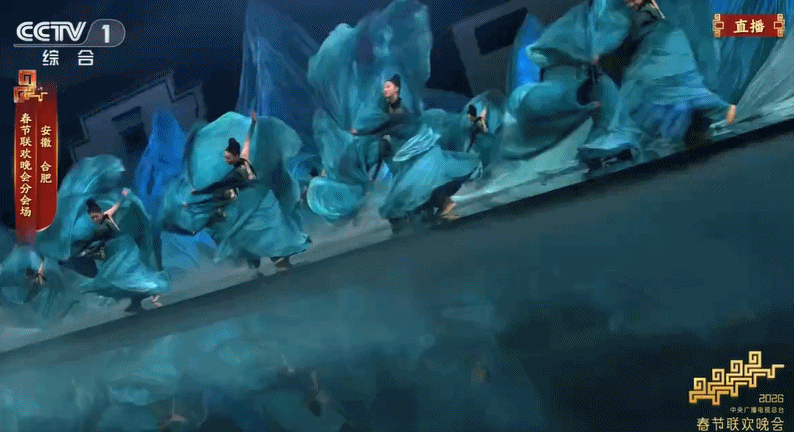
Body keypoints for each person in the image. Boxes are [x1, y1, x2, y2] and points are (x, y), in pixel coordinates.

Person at [351, 74, 480, 232]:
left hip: (419, 150)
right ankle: (441, 207)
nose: (385, 89)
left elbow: (387, 124)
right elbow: (383, 130)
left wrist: (362, 131)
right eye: (384, 87)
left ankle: (444, 205)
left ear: (396, 88)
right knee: (418, 184)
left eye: (388, 86)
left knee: (416, 183)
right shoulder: (388, 109)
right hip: (407, 154)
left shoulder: (400, 110)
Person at [82, 189, 166, 313]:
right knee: (121, 277)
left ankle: (153, 292)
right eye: (92, 218)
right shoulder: (97, 226)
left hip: (125, 248)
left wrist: (123, 195)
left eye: (96, 216)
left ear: (101, 212)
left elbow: (116, 205)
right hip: (116, 251)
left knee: (127, 274)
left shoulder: (107, 215)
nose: (95, 219)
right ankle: (137, 302)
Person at [188, 110, 259, 228]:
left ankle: (203, 211)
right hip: (248, 193)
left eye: (228, 158)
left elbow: (216, 186)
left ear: (235, 156)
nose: (226, 161)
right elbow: (248, 140)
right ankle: (205, 210)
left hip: (251, 200)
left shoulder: (236, 173)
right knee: (224, 194)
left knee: (222, 194)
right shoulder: (244, 158)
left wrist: (197, 192)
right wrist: (253, 123)